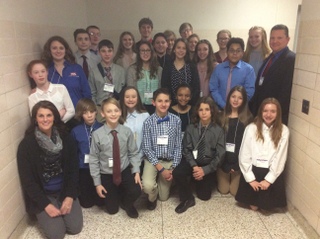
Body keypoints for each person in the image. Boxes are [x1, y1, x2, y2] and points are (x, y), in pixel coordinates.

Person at [17, 101, 83, 239]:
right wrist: (45, 205)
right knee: (56, 234)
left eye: (49, 115)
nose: (45, 119)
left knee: (75, 228)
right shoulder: (26, 145)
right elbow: (28, 182)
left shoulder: (66, 138)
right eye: (41, 116)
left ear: (54, 117)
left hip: (64, 189)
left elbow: (73, 170)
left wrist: (70, 196)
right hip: (44, 194)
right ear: (35, 119)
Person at [89, 98, 142, 218]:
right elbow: (93, 159)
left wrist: (136, 171)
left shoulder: (126, 132)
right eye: (109, 111)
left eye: (116, 110)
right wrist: (97, 183)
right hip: (106, 173)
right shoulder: (97, 135)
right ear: (102, 113)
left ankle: (127, 203)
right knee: (112, 210)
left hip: (123, 170)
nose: (113, 114)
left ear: (120, 112)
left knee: (137, 190)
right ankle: (116, 193)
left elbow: (133, 153)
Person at [173, 97, 225, 213]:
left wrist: (205, 170)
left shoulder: (218, 131)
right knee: (178, 172)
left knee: (204, 196)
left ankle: (196, 179)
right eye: (201, 110)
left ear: (212, 111)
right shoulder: (191, 128)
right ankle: (188, 198)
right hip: (193, 162)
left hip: (208, 164)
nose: (204, 112)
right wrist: (194, 166)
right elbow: (186, 149)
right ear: (197, 111)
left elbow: (220, 155)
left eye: (207, 109)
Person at [236, 98, 289, 211]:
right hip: (254, 170)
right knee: (254, 207)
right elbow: (244, 154)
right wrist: (250, 178)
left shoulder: (284, 130)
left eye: (273, 111)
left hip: (271, 170)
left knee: (266, 209)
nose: (268, 114)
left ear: (278, 113)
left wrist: (269, 179)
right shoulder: (251, 128)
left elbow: (280, 157)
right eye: (265, 111)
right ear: (261, 112)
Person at [142, 88, 182, 210]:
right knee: (148, 186)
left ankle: (164, 184)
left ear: (170, 102)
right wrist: (161, 169)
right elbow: (147, 148)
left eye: (166, 101)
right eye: (160, 101)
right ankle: (151, 198)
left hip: (169, 160)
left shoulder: (176, 120)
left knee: (164, 198)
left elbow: (178, 145)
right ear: (153, 102)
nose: (163, 104)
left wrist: (173, 167)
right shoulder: (148, 122)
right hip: (153, 160)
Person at [249, 24, 295, 125]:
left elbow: (286, 91)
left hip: (274, 115)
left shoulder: (291, 59)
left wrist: (273, 114)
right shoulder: (270, 57)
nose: (275, 41)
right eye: (272, 38)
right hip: (261, 111)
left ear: (287, 39)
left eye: (279, 38)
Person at [217, 86, 252, 196]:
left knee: (234, 192)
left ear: (244, 100)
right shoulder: (221, 116)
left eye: (240, 98)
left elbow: (249, 146)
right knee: (224, 190)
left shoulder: (248, 118)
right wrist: (224, 164)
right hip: (223, 161)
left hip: (239, 162)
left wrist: (237, 165)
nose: (236, 100)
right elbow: (217, 144)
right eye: (233, 97)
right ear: (229, 98)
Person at [42, 36, 91, 109]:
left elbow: (87, 93)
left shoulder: (76, 68)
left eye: (61, 48)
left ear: (66, 50)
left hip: (77, 114)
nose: (58, 51)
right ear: (49, 50)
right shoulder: (46, 71)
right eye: (54, 48)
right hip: (57, 115)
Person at [71, 98, 104, 208]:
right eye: (85, 113)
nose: (89, 115)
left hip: (100, 168)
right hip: (84, 168)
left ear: (96, 112)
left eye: (91, 111)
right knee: (86, 204)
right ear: (80, 115)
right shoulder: (76, 130)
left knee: (101, 202)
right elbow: (74, 153)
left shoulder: (102, 128)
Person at [209, 37, 255, 110]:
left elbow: (249, 92)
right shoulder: (218, 68)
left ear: (242, 53)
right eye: (232, 50)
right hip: (220, 110)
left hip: (240, 110)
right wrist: (224, 105)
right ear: (227, 52)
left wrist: (236, 106)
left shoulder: (248, 70)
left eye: (238, 51)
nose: (234, 53)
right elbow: (213, 89)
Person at [27, 59, 75, 124]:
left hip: (64, 127)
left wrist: (57, 123)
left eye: (43, 71)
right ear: (30, 74)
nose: (40, 75)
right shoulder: (32, 97)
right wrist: (58, 115)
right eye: (36, 72)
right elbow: (36, 120)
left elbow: (71, 111)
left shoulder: (61, 88)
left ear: (47, 72)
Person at [89, 39, 126, 121]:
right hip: (101, 108)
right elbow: (92, 93)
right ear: (99, 52)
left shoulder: (120, 70)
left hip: (117, 108)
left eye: (109, 51)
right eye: (103, 51)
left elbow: (124, 91)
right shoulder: (93, 71)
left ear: (113, 52)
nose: (107, 54)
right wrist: (96, 110)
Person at [119, 86, 150, 172]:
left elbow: (148, 139)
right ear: (123, 98)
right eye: (127, 97)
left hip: (142, 158)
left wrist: (140, 157)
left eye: (133, 97)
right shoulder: (118, 116)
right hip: (124, 160)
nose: (130, 99)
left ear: (138, 98)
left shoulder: (145, 115)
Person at [161, 38, 200, 106]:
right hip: (171, 106)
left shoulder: (191, 66)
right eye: (178, 47)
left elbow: (196, 87)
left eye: (184, 48)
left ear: (186, 51)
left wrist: (190, 103)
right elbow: (164, 87)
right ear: (174, 50)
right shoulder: (168, 67)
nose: (181, 50)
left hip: (189, 106)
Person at [126, 41, 162, 115]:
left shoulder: (159, 69)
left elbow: (161, 89)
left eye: (148, 50)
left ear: (151, 52)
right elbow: (130, 90)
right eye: (142, 50)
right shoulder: (132, 69)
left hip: (156, 107)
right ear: (138, 53)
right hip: (138, 107)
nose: (145, 53)